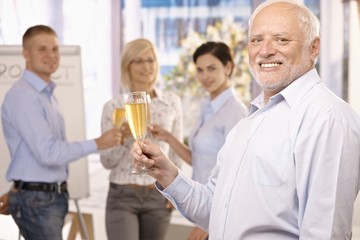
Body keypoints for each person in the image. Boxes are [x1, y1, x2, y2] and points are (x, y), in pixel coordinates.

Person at [131, 0, 360, 239]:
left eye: (281, 39)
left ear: (314, 48)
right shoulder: (249, 123)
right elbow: (214, 209)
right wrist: (166, 172)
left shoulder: (327, 119)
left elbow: (324, 233)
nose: (265, 50)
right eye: (256, 40)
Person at [1, 25, 120, 240]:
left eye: (55, 49)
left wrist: (19, 189)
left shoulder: (46, 94)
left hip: (43, 197)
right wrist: (98, 143)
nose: (51, 55)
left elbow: (28, 153)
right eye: (42, 49)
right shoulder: (24, 96)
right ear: (25, 54)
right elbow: (47, 152)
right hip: (38, 200)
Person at [150, 41, 248, 240]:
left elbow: (238, 174)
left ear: (228, 67)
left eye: (212, 68)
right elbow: (198, 159)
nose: (205, 76)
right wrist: (168, 137)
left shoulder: (235, 112)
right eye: (200, 70)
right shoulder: (207, 107)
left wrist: (212, 221)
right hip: (202, 205)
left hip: (219, 213)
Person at [100, 38, 183, 240]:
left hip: (159, 195)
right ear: (127, 66)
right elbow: (107, 161)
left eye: (150, 60)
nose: (146, 66)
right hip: (122, 196)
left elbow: (175, 153)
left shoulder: (171, 102)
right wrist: (122, 137)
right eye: (138, 61)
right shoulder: (114, 107)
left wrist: (177, 192)